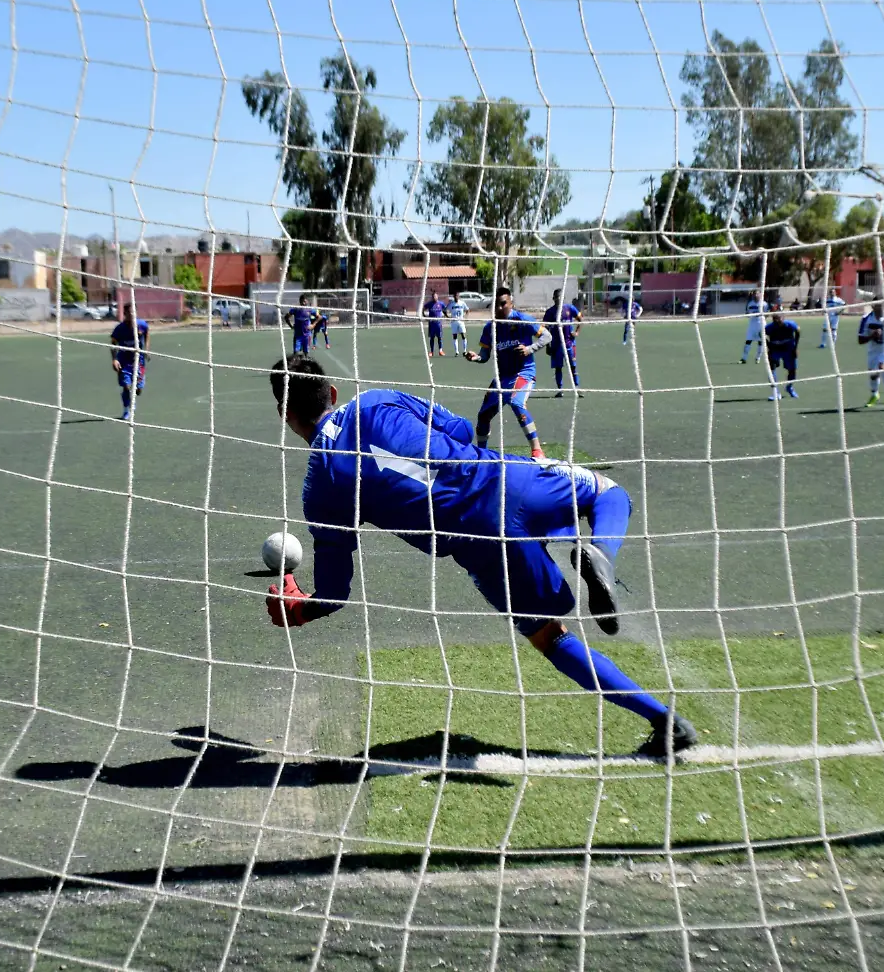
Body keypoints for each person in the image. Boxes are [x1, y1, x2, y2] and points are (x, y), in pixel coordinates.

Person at [263, 354, 699, 758]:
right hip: (504, 480)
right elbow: (461, 431)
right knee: (609, 493)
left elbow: (336, 592)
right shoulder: (377, 401)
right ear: (333, 392)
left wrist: (302, 609)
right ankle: (601, 552)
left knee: (550, 637)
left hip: (479, 545)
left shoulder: (320, 489)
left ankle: (666, 722)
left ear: (285, 417)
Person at [465, 286, 550, 459]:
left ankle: (537, 450)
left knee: (516, 403)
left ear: (511, 303)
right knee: (483, 416)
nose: (499, 307)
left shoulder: (522, 320)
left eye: (503, 303)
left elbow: (547, 336)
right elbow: (484, 356)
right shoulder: (491, 328)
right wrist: (476, 357)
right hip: (502, 378)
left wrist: (529, 349)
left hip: (523, 373)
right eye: (496, 304)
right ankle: (482, 454)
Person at [111, 302, 150, 421]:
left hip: (139, 361)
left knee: (138, 390)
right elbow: (113, 343)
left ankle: (135, 394)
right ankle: (126, 410)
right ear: (124, 314)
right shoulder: (119, 329)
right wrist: (114, 359)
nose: (132, 314)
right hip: (124, 361)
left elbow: (147, 334)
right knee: (126, 387)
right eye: (129, 313)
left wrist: (147, 350)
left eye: (134, 312)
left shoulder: (142, 325)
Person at [541, 289, 582, 397]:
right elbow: (543, 329)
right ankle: (560, 389)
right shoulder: (550, 312)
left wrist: (577, 332)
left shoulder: (570, 308)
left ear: (563, 298)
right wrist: (547, 345)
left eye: (560, 297)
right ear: (553, 299)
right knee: (558, 368)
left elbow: (580, 319)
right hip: (556, 345)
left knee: (573, 367)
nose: (558, 299)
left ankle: (577, 388)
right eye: (556, 297)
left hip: (569, 344)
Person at [764, 310, 801, 400]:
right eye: (774, 319)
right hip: (775, 349)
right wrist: (769, 346)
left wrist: (795, 348)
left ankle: (789, 387)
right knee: (771, 368)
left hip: (788, 349)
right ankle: (775, 392)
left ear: (783, 318)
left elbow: (798, 331)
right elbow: (761, 334)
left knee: (792, 370)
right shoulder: (769, 327)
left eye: (778, 319)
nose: (776, 321)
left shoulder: (790, 324)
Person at [739, 293, 767, 364]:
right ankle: (744, 358)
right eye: (755, 294)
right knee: (748, 341)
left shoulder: (764, 304)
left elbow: (767, 314)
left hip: (761, 324)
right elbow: (747, 314)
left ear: (760, 295)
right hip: (752, 325)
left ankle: (758, 358)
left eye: (757, 294)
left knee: (761, 342)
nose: (756, 296)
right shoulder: (750, 304)